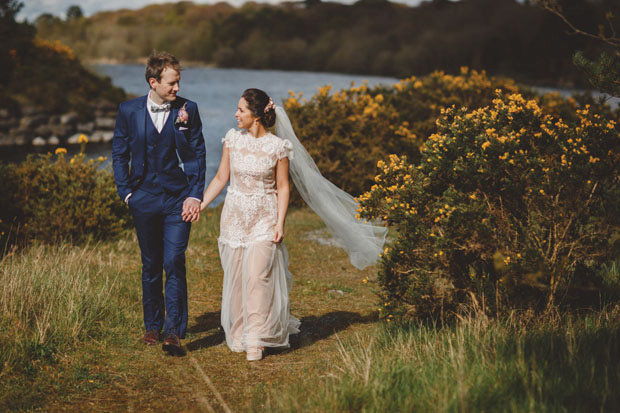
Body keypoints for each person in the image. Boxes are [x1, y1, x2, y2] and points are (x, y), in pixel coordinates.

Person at [200, 88, 387, 361]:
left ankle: (257, 338)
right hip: (235, 217)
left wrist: (279, 222)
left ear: (256, 116)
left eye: (241, 110)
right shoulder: (231, 140)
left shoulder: (278, 147)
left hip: (265, 217)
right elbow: (219, 178)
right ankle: (240, 331)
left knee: (258, 277)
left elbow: (284, 187)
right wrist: (200, 204)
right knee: (238, 277)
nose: (236, 114)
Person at [112, 51, 206, 356]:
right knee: (151, 264)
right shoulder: (128, 110)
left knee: (173, 262)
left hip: (178, 199)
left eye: (178, 81)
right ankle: (152, 326)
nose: (177, 87)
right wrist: (126, 193)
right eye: (172, 82)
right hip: (143, 198)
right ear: (154, 81)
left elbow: (198, 153)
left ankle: (174, 332)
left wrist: (195, 194)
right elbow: (119, 153)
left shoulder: (187, 110)